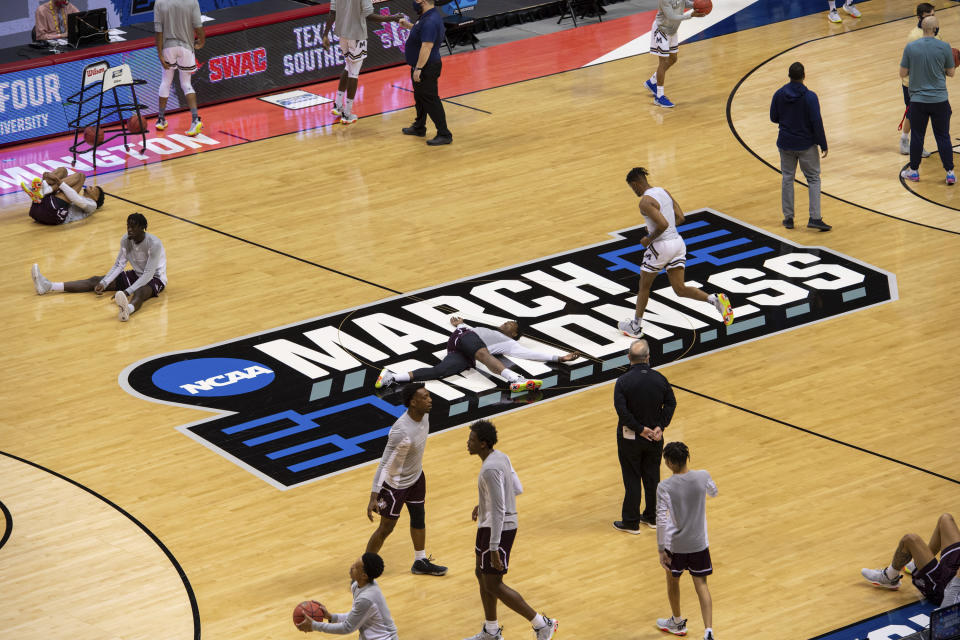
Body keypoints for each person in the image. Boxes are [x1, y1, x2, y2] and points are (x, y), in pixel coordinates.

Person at [464, 420, 558, 640]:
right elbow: (516, 487)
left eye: (472, 440)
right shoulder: (500, 457)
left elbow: (498, 509)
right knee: (481, 574)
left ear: (483, 444)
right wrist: (485, 501)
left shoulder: (489, 468)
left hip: (498, 529)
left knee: (493, 583)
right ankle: (491, 631)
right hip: (491, 525)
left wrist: (494, 546)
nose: (467, 443)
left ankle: (542, 624)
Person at [616, 167, 733, 339]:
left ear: (635, 183)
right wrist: (667, 231)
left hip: (661, 246)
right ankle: (714, 299)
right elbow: (680, 217)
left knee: (644, 287)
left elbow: (662, 224)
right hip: (678, 243)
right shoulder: (663, 191)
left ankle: (635, 326)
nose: (633, 191)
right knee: (680, 288)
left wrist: (648, 238)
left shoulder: (645, 202)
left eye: (632, 187)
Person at [366, 383, 448, 577]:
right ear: (413, 402)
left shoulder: (425, 414)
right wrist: (373, 497)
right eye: (425, 397)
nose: (430, 400)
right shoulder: (400, 431)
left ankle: (420, 561)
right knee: (386, 528)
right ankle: (365, 569)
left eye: (429, 396)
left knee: (419, 516)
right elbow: (384, 464)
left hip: (417, 477)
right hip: (396, 485)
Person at [375, 316, 578, 393]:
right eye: (507, 321)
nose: (506, 323)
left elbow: (531, 354)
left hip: (461, 352)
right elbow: (469, 333)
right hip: (463, 337)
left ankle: (392, 376)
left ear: (514, 334)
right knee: (482, 353)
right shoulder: (485, 330)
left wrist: (559, 358)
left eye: (511, 325)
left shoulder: (508, 343)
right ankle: (515, 379)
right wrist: (461, 324)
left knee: (440, 371)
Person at [30, 213, 167, 322]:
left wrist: (127, 291)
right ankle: (49, 286)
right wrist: (104, 282)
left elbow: (148, 274)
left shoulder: (154, 244)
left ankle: (127, 310)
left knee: (140, 292)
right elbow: (119, 265)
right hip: (136, 274)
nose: (129, 230)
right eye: (128, 226)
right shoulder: (126, 240)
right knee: (95, 280)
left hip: (155, 278)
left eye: (133, 227)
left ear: (142, 227)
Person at [655, 441, 719, 640]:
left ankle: (676, 621)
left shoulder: (664, 486)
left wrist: (660, 549)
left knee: (673, 581)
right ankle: (708, 631)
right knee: (701, 584)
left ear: (671, 463)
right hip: (699, 542)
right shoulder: (703, 476)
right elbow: (713, 492)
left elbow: (661, 518)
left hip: (676, 545)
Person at [612, 339, 676, 533]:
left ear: (629, 357)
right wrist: (660, 427)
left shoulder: (622, 382)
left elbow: (622, 411)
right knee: (652, 477)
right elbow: (671, 403)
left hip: (630, 438)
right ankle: (652, 517)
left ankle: (631, 522)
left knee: (632, 477)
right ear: (648, 358)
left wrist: (640, 429)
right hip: (655, 438)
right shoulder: (660, 379)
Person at [770, 63, 832, 232]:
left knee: (787, 178)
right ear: (804, 75)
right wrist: (823, 144)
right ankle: (815, 217)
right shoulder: (810, 97)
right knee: (813, 179)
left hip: (785, 143)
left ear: (788, 75)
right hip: (806, 145)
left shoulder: (779, 94)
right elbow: (816, 122)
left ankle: (788, 218)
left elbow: (773, 117)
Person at [321, 0, 405, 125]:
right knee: (353, 73)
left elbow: (332, 13)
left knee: (348, 66)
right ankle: (347, 114)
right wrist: (392, 18)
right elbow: (369, 15)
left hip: (342, 35)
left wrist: (325, 34)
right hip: (356, 35)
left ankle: (338, 105)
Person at [900, 15, 956, 185]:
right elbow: (951, 73)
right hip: (940, 100)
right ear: (936, 29)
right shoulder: (945, 47)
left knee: (917, 136)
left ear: (922, 28)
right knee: (943, 136)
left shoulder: (910, 47)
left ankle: (914, 171)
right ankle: (950, 173)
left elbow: (902, 73)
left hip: (918, 101)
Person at [861, 513, 960, 609]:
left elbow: (956, 586)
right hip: (954, 567)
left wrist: (947, 608)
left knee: (910, 539)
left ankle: (890, 577)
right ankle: (919, 565)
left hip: (944, 587)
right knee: (945, 519)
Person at [295, 553, 398, 639]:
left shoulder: (366, 598)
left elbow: (347, 628)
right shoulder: (357, 586)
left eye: (356, 567)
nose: (351, 567)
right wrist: (332, 617)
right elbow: (356, 616)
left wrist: (315, 626)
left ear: (364, 576)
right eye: (354, 563)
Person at [398, 0, 452, 145]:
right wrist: (408, 26)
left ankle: (444, 134)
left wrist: (419, 69)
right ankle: (419, 127)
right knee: (420, 98)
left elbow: (427, 46)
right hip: (422, 65)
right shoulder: (427, 16)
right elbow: (421, 32)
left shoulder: (430, 20)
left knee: (430, 99)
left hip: (426, 67)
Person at [643, 0, 707, 109]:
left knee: (673, 58)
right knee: (662, 62)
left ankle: (652, 82)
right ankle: (659, 97)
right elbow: (672, 16)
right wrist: (690, 15)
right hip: (661, 30)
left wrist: (699, 5)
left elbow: (684, 3)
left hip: (672, 30)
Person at [154, 0, 205, 136]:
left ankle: (160, 119)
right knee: (186, 83)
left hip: (168, 47)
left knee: (166, 81)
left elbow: (159, 32)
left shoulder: (159, 2)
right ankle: (195, 119)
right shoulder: (192, 1)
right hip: (186, 47)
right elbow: (198, 27)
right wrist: (202, 40)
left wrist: (160, 54)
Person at [899, 3, 937, 157]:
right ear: (920, 17)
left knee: (915, 114)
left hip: (929, 82)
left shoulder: (937, 33)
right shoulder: (914, 36)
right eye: (929, 16)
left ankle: (904, 139)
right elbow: (909, 64)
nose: (932, 19)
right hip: (913, 83)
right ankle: (915, 145)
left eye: (933, 15)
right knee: (917, 115)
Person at [21, 168, 104, 225]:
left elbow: (75, 198)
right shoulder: (81, 198)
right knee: (63, 170)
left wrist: (57, 180)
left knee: (81, 176)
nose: (91, 186)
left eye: (94, 189)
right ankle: (41, 189)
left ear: (96, 198)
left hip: (54, 214)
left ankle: (45, 189)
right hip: (41, 209)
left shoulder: (93, 205)